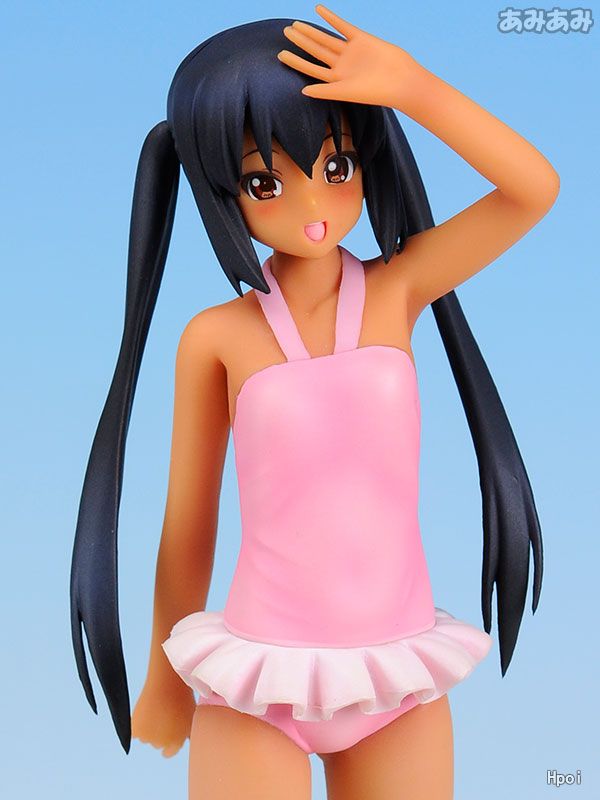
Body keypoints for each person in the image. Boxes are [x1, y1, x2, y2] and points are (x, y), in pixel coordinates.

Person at [70, 6, 558, 798]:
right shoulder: (216, 337)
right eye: (264, 182)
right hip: (258, 686)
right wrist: (165, 677)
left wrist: (413, 88)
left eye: (337, 165)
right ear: (222, 193)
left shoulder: (400, 290)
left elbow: (533, 189)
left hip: (396, 679)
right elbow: (189, 524)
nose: (313, 206)